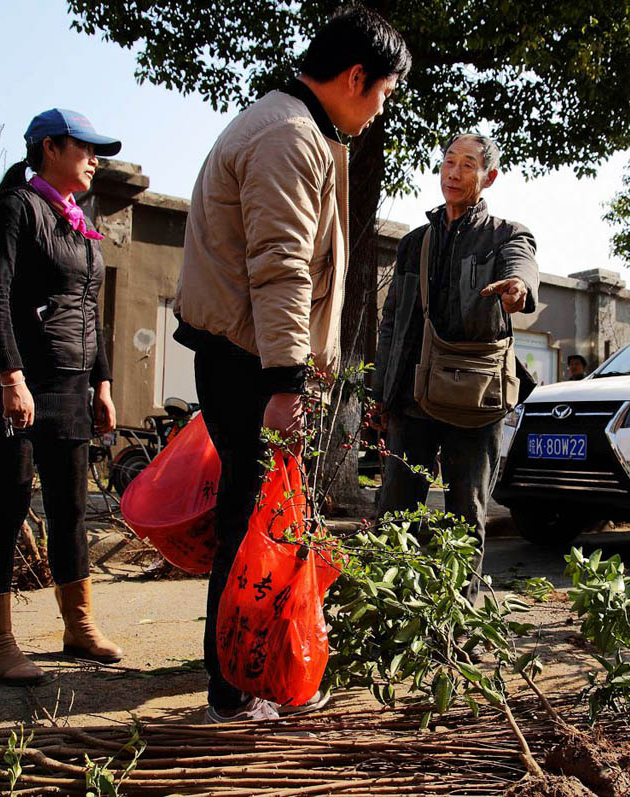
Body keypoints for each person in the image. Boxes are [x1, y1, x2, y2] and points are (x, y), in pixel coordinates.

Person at [174, 7, 410, 722]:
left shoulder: (296, 126)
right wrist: (284, 384)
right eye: (383, 95)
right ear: (354, 77)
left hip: (251, 357)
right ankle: (233, 689)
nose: (378, 111)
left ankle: (244, 670)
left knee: (257, 520)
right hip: (250, 363)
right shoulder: (287, 136)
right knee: (251, 526)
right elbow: (280, 270)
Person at [0, 109, 124, 686]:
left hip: (71, 389)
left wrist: (103, 383)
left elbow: (89, 312)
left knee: (71, 511)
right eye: (85, 148)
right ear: (50, 148)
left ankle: (78, 626)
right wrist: (10, 377)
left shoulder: (79, 221)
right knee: (7, 508)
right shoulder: (15, 209)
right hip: (22, 387)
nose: (94, 159)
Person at [372, 133, 539, 604]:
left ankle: (458, 621)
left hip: (476, 399)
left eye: (468, 164)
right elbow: (392, 320)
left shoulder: (507, 234)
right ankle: (391, 614)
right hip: (412, 396)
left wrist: (517, 289)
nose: (455, 172)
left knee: (466, 514)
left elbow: (521, 266)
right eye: (449, 161)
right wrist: (381, 390)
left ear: (489, 177)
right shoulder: (414, 244)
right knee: (396, 514)